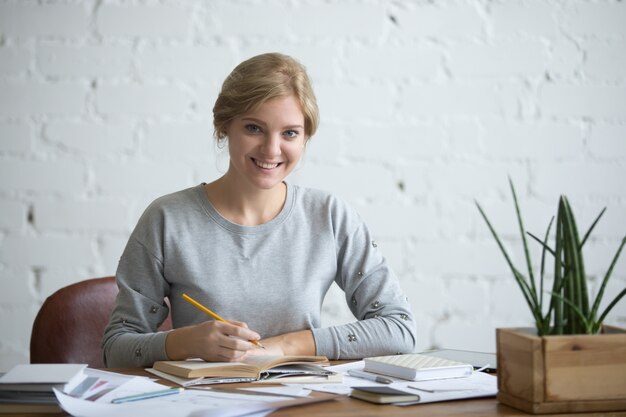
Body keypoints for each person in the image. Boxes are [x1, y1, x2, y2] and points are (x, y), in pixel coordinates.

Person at [102, 52, 417, 367]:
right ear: (224, 126)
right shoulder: (167, 219)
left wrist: (287, 345)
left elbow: (398, 329)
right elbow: (116, 347)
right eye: (254, 128)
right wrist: (184, 342)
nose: (271, 149)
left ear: (306, 136)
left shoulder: (330, 216)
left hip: (305, 404)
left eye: (290, 133)